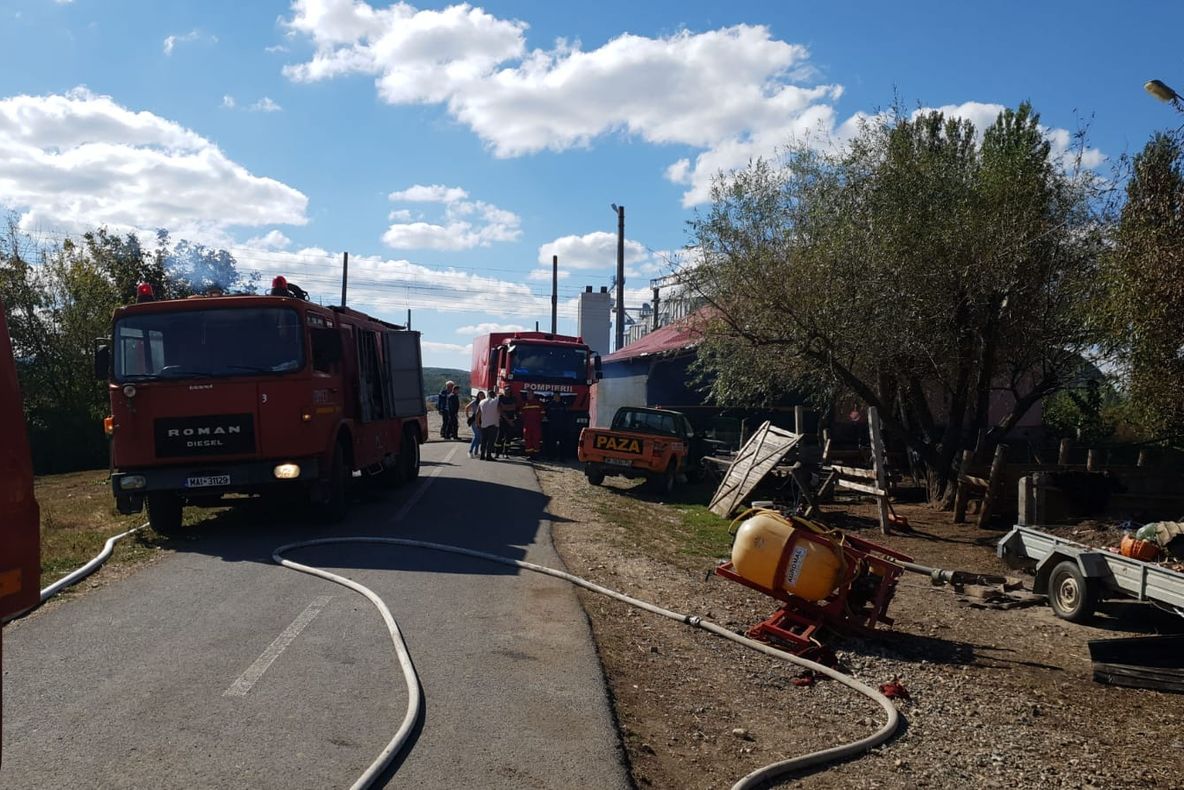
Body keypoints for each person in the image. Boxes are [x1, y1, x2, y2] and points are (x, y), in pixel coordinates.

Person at [478, 389, 502, 460]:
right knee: (491, 441)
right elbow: (500, 410)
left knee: (484, 440)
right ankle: (488, 455)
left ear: (487, 395)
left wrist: (478, 423)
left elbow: (477, 413)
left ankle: (482, 455)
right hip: (493, 424)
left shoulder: (482, 402)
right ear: (494, 395)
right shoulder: (496, 401)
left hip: (484, 424)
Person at [520, 390, 543, 457]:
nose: (529, 396)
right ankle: (529, 455)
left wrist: (538, 420)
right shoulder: (524, 403)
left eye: (530, 394)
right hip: (527, 425)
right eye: (528, 394)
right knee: (527, 439)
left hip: (536, 425)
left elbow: (542, 413)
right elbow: (521, 414)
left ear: (533, 395)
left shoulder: (538, 403)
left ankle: (536, 455)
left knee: (536, 439)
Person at [544, 395, 567, 460]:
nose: (556, 398)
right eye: (555, 397)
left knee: (562, 442)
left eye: (557, 397)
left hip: (561, 426)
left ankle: (562, 457)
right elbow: (547, 414)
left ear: (560, 397)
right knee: (551, 442)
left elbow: (566, 415)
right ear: (553, 398)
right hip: (552, 426)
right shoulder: (550, 405)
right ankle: (551, 456)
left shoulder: (563, 405)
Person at [466, 391, 486, 458]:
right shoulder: (475, 402)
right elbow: (467, 407)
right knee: (477, 435)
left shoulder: (484, 402)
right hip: (474, 420)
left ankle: (476, 452)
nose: (481, 396)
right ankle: (470, 451)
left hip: (481, 421)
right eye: (480, 395)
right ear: (478, 396)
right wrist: (468, 416)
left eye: (482, 395)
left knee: (478, 437)